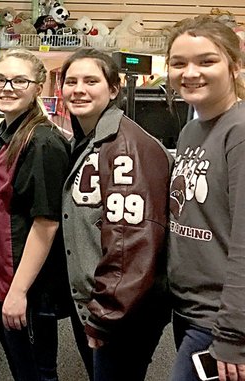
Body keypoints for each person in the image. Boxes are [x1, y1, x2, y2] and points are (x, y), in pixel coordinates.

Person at [60, 48, 172, 381]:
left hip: (124, 311)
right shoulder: (91, 140)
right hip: (108, 305)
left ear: (113, 89)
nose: (78, 89)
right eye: (71, 81)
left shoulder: (125, 147)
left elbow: (131, 240)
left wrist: (106, 314)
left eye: (91, 81)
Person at [0, 49, 73, 381]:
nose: (7, 87)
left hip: (28, 288)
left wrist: (18, 292)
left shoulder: (42, 142)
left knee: (36, 373)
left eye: (19, 80)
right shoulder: (4, 136)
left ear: (38, 87)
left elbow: (47, 224)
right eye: (0, 79)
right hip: (2, 280)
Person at [165, 18, 245, 381]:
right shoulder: (190, 130)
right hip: (189, 310)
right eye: (179, 63)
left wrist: (233, 334)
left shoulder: (240, 132)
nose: (190, 73)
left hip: (222, 321)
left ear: (234, 66)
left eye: (206, 61)